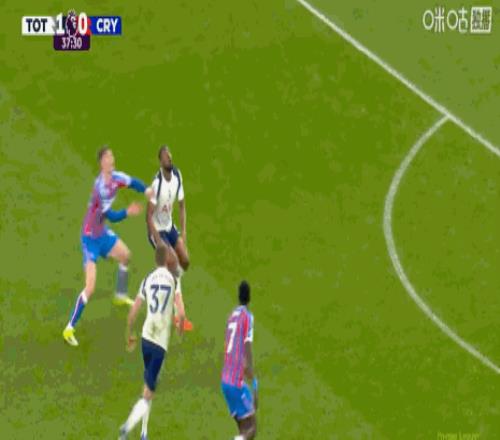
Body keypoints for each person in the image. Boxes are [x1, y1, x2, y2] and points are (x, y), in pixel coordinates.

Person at [62, 147, 153, 347]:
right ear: (102, 162)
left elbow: (133, 182)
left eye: (112, 155)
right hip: (90, 239)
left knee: (126, 256)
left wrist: (146, 190)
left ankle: (120, 295)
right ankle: (69, 328)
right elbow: (111, 216)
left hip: (102, 233)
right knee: (90, 287)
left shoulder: (116, 178)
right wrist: (128, 212)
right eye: (108, 157)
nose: (112, 159)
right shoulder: (99, 188)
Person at [119, 244, 185, 440]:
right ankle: (126, 429)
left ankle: (144, 432)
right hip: (159, 343)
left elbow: (134, 310)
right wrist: (180, 330)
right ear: (167, 259)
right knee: (148, 392)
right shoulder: (174, 279)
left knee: (149, 386)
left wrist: (129, 334)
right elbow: (181, 313)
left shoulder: (148, 279)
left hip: (146, 339)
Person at [146, 145, 192, 331]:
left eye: (170, 155)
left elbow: (182, 206)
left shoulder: (177, 176)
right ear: (160, 161)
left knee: (185, 261)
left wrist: (183, 232)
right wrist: (158, 242)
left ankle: (166, 278)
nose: (169, 158)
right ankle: (177, 313)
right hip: (156, 231)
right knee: (173, 262)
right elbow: (148, 216)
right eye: (166, 156)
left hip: (169, 227)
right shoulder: (156, 184)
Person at [221, 281, 258, 440]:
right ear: (249, 298)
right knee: (252, 428)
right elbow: (247, 346)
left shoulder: (231, 316)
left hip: (225, 381)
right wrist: (254, 386)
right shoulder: (247, 317)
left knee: (243, 428)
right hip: (236, 383)